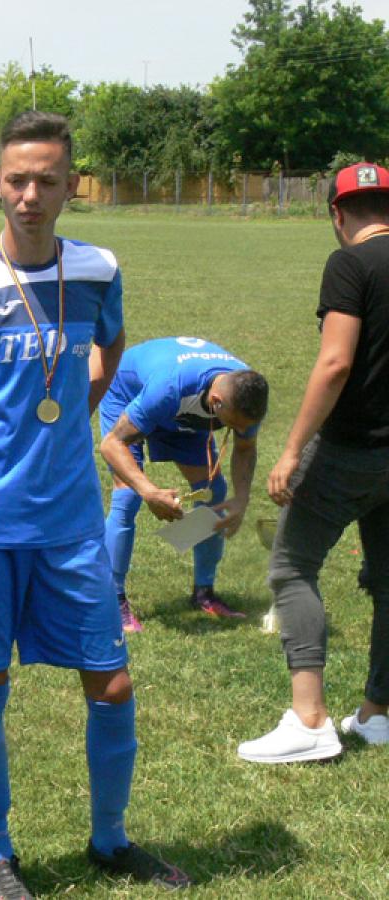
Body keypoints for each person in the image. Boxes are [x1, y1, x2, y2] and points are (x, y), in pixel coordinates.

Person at [0, 111, 190, 898]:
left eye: (48, 181)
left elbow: (112, 343)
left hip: (71, 522)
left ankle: (110, 840)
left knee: (112, 683)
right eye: (18, 180)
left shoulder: (98, 268)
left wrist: (80, 401)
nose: (31, 195)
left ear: (70, 187)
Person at [238, 162, 389, 764]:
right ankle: (378, 714)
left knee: (291, 566)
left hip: (350, 450)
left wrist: (293, 447)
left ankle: (310, 720)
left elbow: (335, 363)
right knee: (388, 580)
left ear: (335, 213)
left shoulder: (349, 264)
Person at [98, 337, 269, 631]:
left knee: (215, 494)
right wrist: (150, 492)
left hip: (183, 410)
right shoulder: (170, 387)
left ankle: (204, 593)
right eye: (233, 425)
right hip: (129, 393)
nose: (239, 431)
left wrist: (242, 499)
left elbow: (245, 448)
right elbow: (111, 444)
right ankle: (113, 601)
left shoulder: (247, 396)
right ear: (216, 402)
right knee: (128, 497)